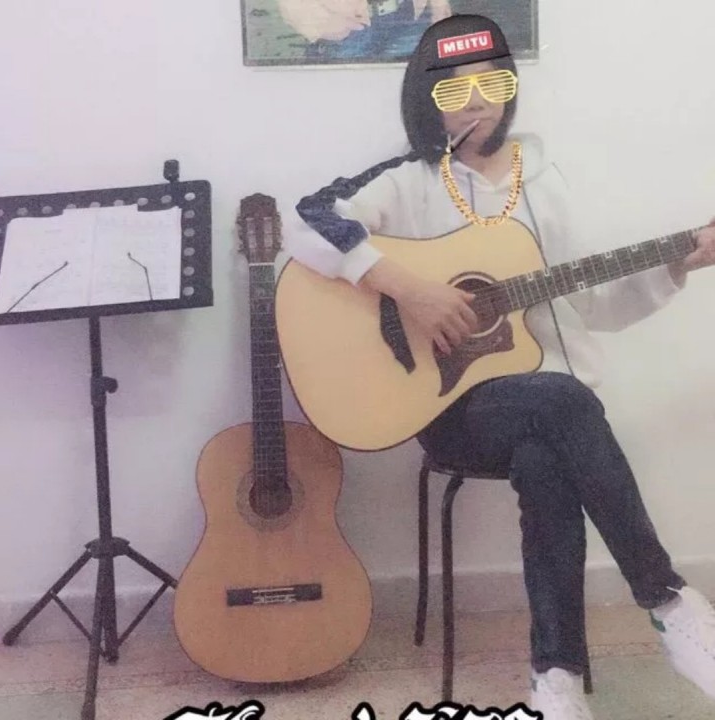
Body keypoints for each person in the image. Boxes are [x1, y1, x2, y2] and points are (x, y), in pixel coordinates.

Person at [284, 13, 715, 719]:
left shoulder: (544, 181)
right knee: (567, 404)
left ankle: (557, 679)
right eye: (454, 89)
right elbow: (308, 219)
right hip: (448, 407)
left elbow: (589, 305)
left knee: (549, 448)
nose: (476, 101)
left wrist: (679, 263)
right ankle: (669, 602)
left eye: (491, 84)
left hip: (550, 410)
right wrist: (409, 288)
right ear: (426, 100)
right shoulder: (407, 179)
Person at [277, 0, 451, 61]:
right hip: (349, 31)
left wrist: (438, 3)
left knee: (413, 97)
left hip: (408, 19)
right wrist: (320, 24)